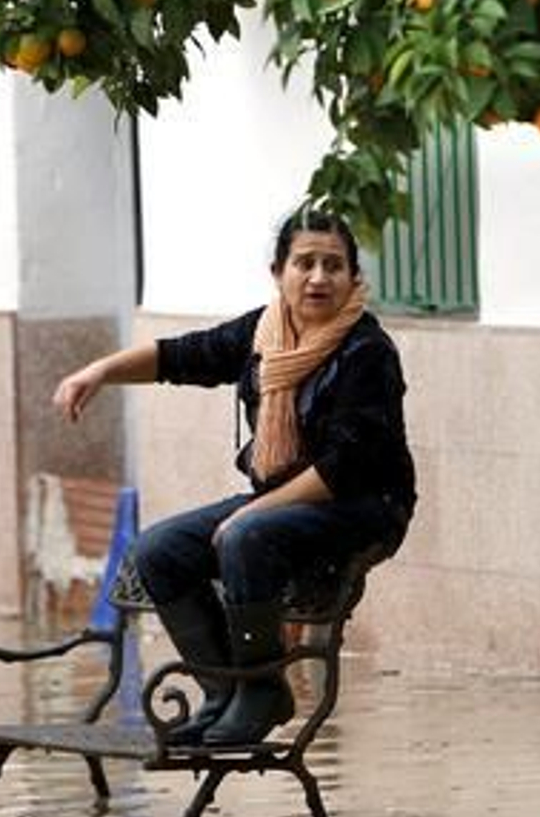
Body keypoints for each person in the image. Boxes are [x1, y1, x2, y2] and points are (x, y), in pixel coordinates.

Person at [51, 207, 417, 747]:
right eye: (305, 263)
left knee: (248, 533)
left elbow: (345, 468)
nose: (319, 278)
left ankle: (262, 692)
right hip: (283, 502)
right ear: (279, 272)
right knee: (159, 549)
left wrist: (255, 509)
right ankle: (225, 692)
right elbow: (183, 356)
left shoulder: (367, 351)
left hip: (364, 506)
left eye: (333, 266)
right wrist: (99, 371)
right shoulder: (263, 332)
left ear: (353, 278)